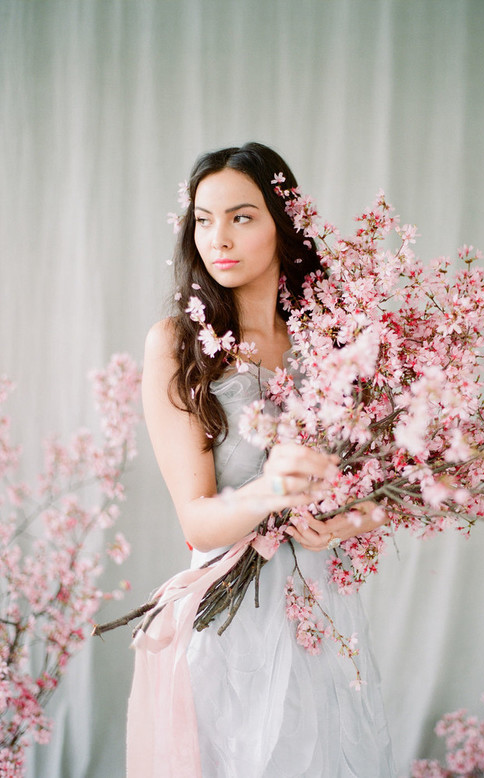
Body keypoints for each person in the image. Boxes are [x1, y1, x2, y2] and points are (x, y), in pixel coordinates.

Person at [127, 142, 394, 777]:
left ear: (283, 223)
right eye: (203, 218)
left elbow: (378, 489)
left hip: (321, 614)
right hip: (230, 623)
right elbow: (197, 524)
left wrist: (344, 523)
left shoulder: (333, 337)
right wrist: (272, 489)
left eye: (242, 217)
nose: (218, 237)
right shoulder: (178, 345)